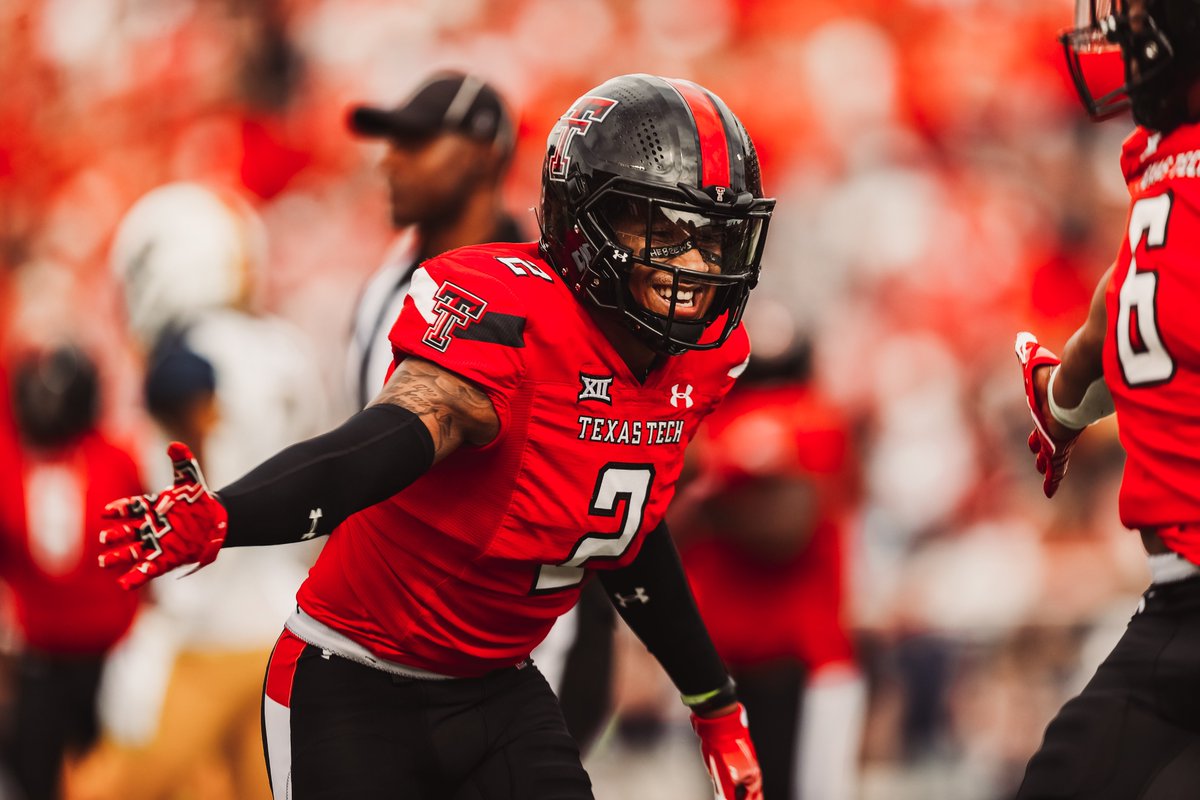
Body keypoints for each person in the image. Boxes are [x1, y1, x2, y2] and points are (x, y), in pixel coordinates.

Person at [97, 73, 773, 800]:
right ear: (585, 222)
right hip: (352, 681)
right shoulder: (509, 318)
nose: (696, 266)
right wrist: (231, 513)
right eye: (662, 229)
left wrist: (714, 703)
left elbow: (626, 530)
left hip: (499, 688)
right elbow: (379, 443)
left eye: (711, 234)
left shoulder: (706, 358)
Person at [345, 70, 615, 754]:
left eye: (415, 142)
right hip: (402, 630)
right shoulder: (389, 278)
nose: (390, 160)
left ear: (482, 152)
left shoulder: (554, 285)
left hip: (523, 641)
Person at [75, 182, 327, 800]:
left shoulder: (186, 364)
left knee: (101, 790)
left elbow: (191, 499)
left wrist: (157, 638)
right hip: (287, 618)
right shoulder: (284, 348)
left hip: (209, 632)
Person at [1015, 0, 1200, 796]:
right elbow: (1119, 301)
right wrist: (1060, 405)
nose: (1125, 38)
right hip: (1177, 610)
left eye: (1145, 21)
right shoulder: (1163, 159)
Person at [672, 326, 865, 800]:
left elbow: (788, 528)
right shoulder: (712, 421)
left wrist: (708, 509)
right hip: (723, 666)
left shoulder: (806, 419)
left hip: (801, 662)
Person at [0, 345, 143, 800]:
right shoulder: (9, 460)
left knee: (111, 776)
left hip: (112, 655)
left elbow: (146, 553)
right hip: (37, 656)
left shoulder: (115, 459)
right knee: (33, 773)